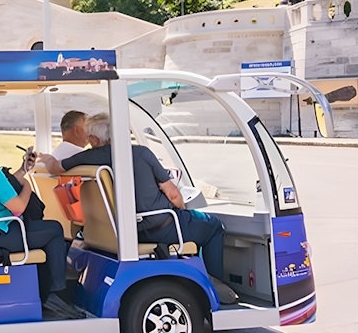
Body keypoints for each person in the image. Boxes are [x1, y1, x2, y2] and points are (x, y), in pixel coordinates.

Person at [38, 114, 235, 302]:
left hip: (130, 229)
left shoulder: (91, 157)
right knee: (214, 225)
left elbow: (55, 167)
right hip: (162, 225)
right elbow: (174, 195)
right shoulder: (141, 153)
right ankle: (214, 285)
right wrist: (182, 212)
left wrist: (46, 159)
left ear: (94, 139)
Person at [0, 117, 78, 319]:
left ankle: (44, 292)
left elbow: (0, 186)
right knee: (54, 230)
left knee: (43, 230)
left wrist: (22, 170)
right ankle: (55, 294)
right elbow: (19, 207)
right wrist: (28, 186)